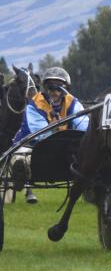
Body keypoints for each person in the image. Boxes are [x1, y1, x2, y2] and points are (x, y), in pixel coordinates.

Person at [11, 67, 90, 199]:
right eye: (50, 87)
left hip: (63, 146)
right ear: (45, 88)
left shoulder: (73, 103)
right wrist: (53, 128)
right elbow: (41, 135)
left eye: (58, 87)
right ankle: (20, 172)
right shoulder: (34, 105)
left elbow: (84, 128)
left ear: (66, 89)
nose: (54, 91)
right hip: (31, 144)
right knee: (22, 156)